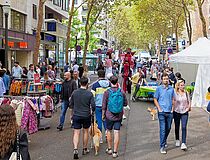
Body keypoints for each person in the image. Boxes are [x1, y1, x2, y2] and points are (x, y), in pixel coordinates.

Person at [70, 77, 95, 159]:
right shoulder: (89, 94)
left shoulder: (74, 93)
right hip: (86, 115)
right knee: (85, 132)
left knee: (76, 133)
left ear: (80, 83)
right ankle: (84, 148)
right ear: (87, 84)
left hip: (76, 115)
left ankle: (75, 149)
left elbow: (71, 104)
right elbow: (93, 106)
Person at [102, 76, 128, 158]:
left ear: (110, 82)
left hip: (109, 115)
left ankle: (109, 148)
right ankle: (115, 152)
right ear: (117, 82)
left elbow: (104, 105)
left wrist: (103, 114)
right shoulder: (121, 92)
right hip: (118, 115)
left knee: (109, 131)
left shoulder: (107, 92)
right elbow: (125, 103)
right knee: (116, 132)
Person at [154, 72, 175, 154]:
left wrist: (172, 109)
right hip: (162, 112)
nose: (166, 80)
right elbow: (155, 99)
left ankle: (164, 139)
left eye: (167, 79)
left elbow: (173, 99)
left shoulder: (171, 89)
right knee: (162, 129)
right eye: (164, 79)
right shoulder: (158, 88)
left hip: (169, 112)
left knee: (168, 128)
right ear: (162, 80)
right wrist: (159, 108)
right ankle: (162, 146)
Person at [91, 70, 110, 143]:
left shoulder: (95, 85)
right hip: (107, 105)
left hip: (98, 105)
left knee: (99, 120)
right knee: (105, 120)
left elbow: (92, 96)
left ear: (98, 75)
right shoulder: (109, 84)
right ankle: (106, 133)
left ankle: (100, 137)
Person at [174, 79, 191, 150]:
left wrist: (189, 107)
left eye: (183, 85)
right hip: (177, 111)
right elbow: (173, 101)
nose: (183, 86)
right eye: (181, 85)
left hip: (185, 112)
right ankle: (177, 139)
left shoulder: (186, 93)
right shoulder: (175, 93)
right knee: (177, 126)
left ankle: (183, 142)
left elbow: (189, 101)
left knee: (184, 127)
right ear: (178, 86)